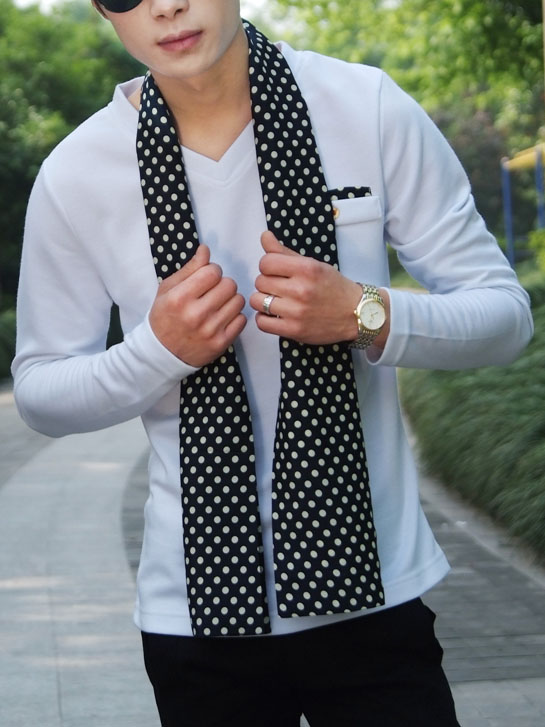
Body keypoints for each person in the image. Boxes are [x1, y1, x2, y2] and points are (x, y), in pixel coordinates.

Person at [12, 1, 533, 725]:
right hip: (196, 617)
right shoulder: (77, 172)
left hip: (375, 597)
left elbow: (505, 318)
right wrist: (157, 352)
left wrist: (363, 312)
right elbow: (40, 390)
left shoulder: (365, 107)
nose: (165, 6)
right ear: (104, 10)